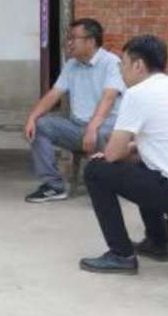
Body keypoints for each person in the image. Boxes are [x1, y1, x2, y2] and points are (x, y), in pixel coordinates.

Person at [78, 35, 168, 275]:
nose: (121, 71)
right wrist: (129, 150)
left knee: (96, 171)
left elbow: (113, 153)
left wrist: (110, 156)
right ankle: (158, 242)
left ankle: (121, 255)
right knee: (143, 166)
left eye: (123, 64)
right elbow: (156, 147)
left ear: (138, 65)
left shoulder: (138, 93)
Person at [24, 18, 125, 203]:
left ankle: (105, 186)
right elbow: (54, 94)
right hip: (77, 127)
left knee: (100, 133)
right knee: (40, 126)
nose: (69, 43)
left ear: (91, 41)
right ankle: (53, 186)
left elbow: (108, 98)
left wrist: (92, 128)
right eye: (68, 38)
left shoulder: (111, 63)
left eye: (73, 38)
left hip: (107, 127)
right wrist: (32, 117)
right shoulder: (71, 65)